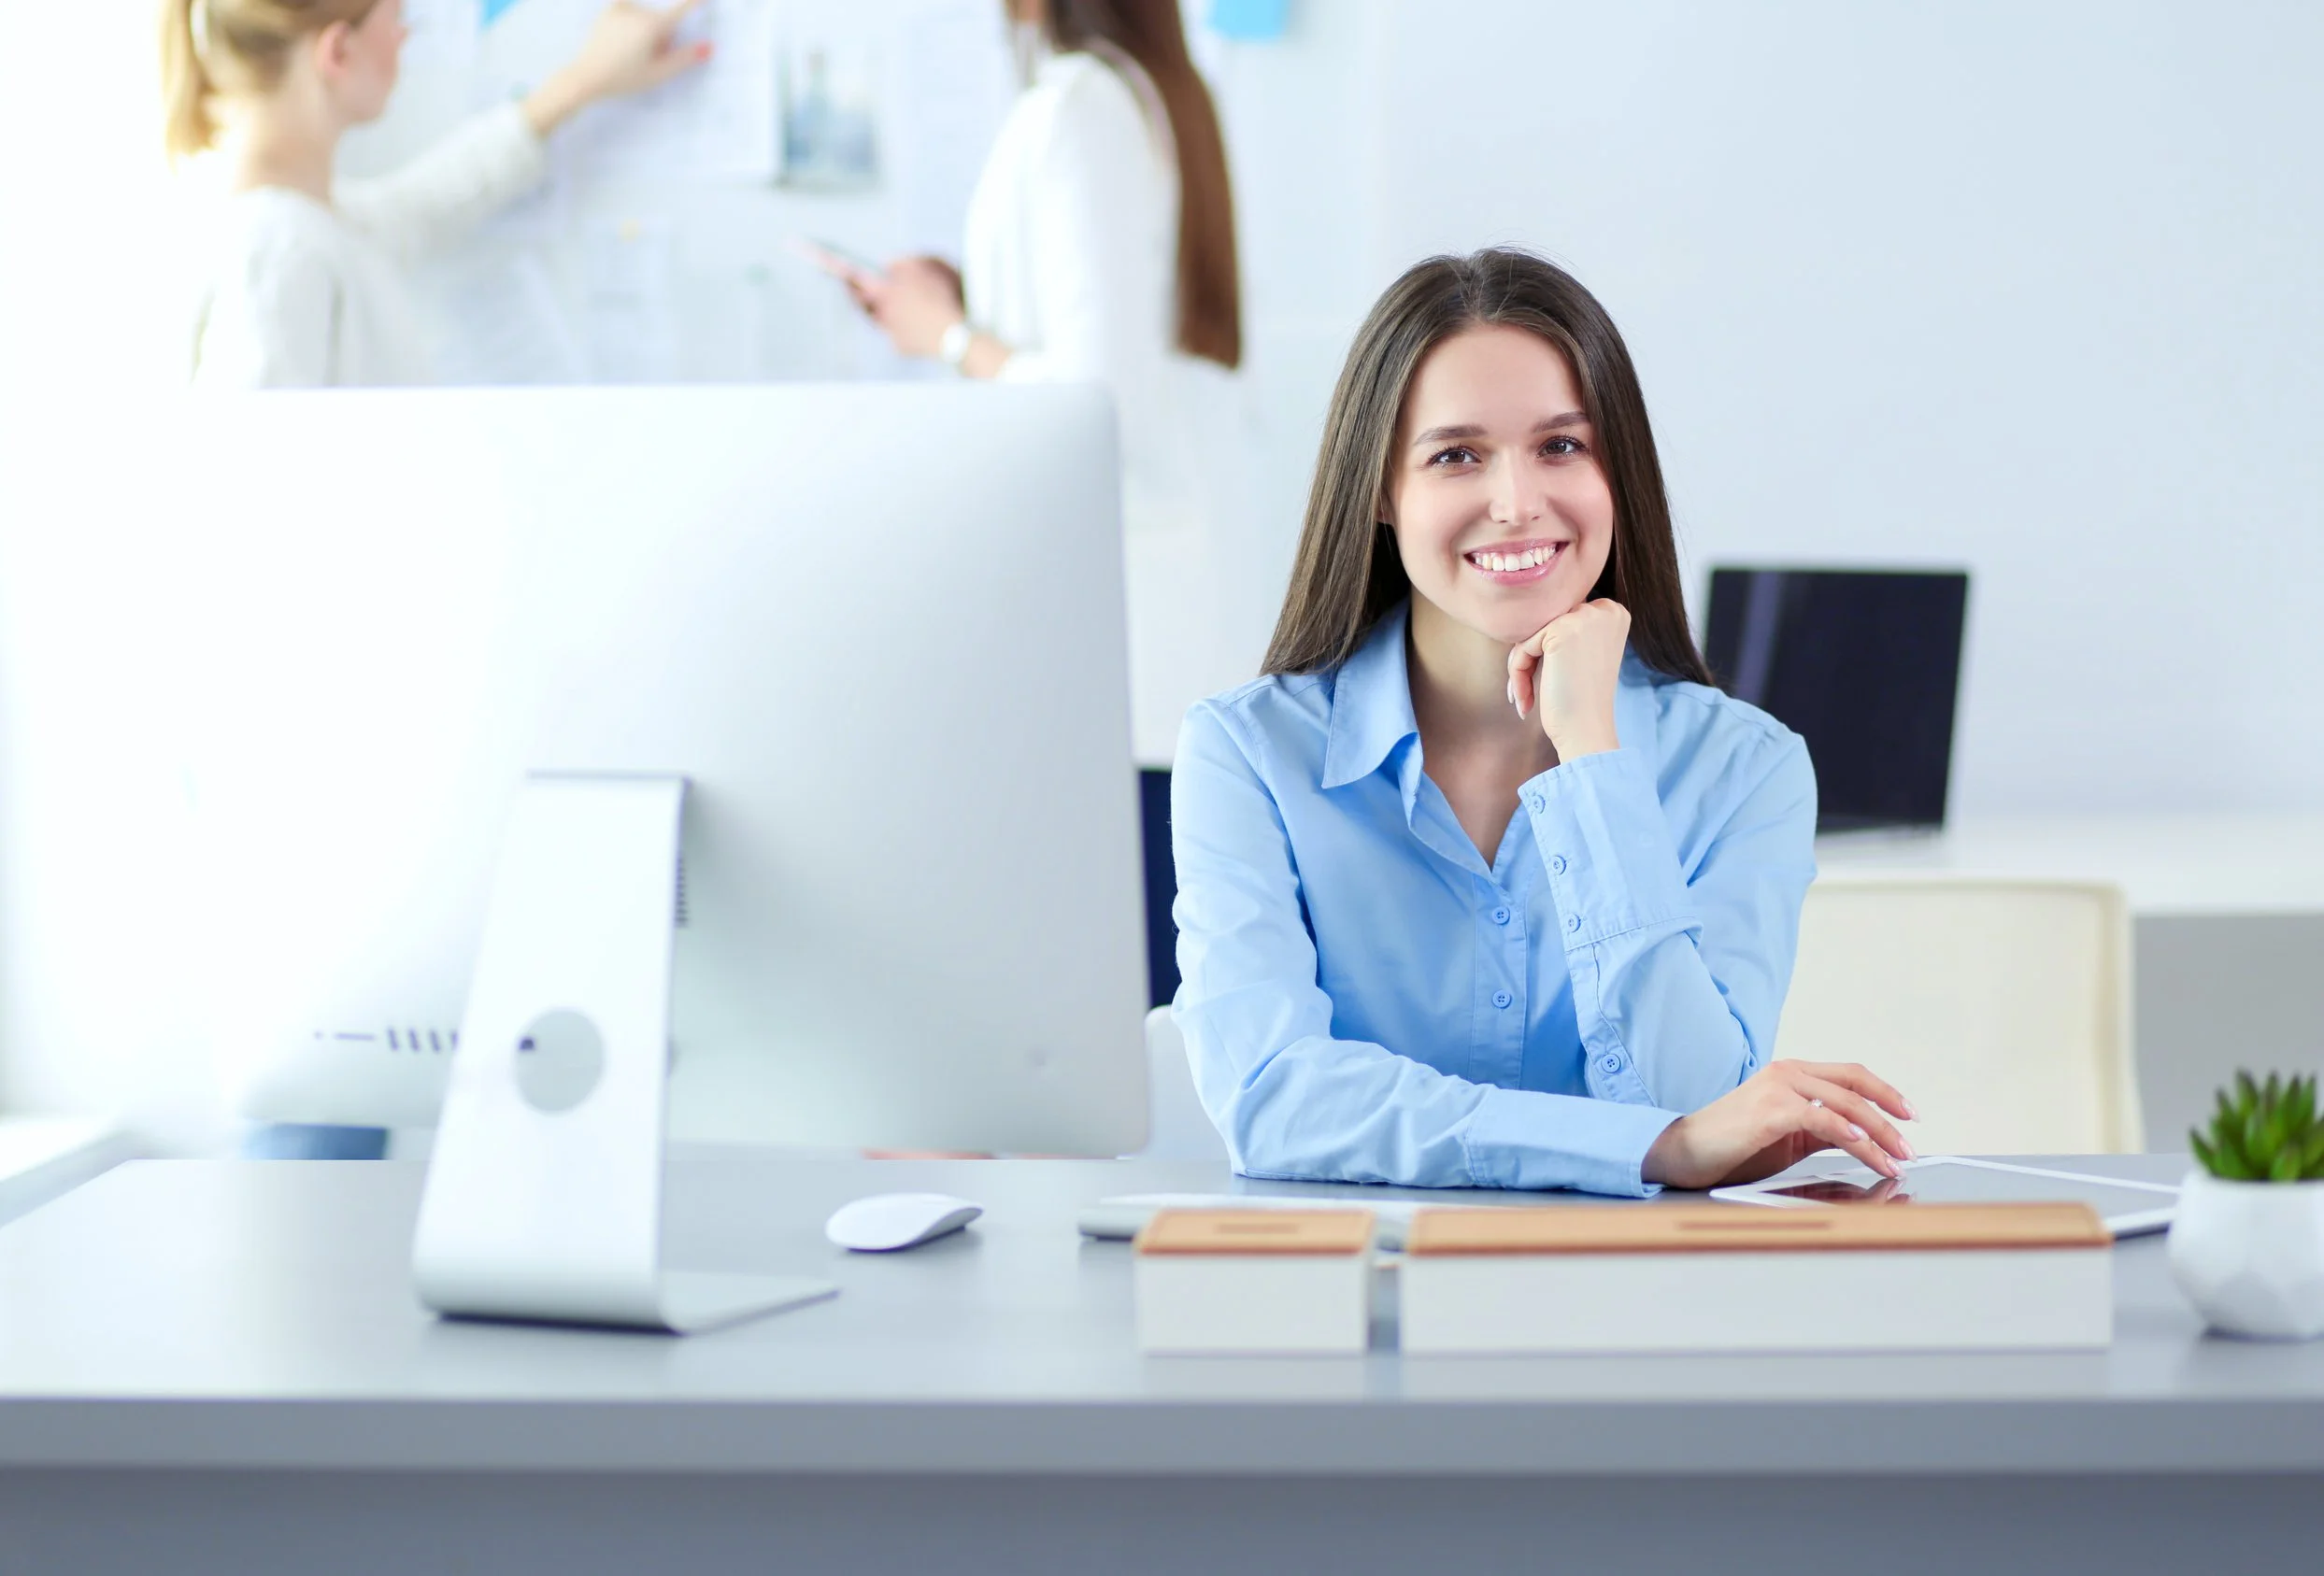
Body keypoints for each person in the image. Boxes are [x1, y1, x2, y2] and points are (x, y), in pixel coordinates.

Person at [1169, 248, 1918, 1196]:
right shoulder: (1247, 754)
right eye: (1456, 455)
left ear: (1619, 476)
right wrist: (1644, 1148)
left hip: (1633, 1308)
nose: (1518, 503)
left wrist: (1591, 760)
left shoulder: (1745, 768)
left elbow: (1699, 1098)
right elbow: (1274, 1096)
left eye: (1562, 446)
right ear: (1380, 494)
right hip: (1352, 1307)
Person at [828, 0, 1244, 781]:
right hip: (1145, 634)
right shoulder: (1141, 92)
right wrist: (967, 303)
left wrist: (947, 336)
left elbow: (1090, 394)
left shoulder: (1079, 107)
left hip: (1108, 640)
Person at [162, 0, 708, 387]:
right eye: (398, 17)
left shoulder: (314, 222)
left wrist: (587, 79)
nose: (405, 35)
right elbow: (250, 494)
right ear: (338, 52)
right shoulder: (277, 254)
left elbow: (429, 205)